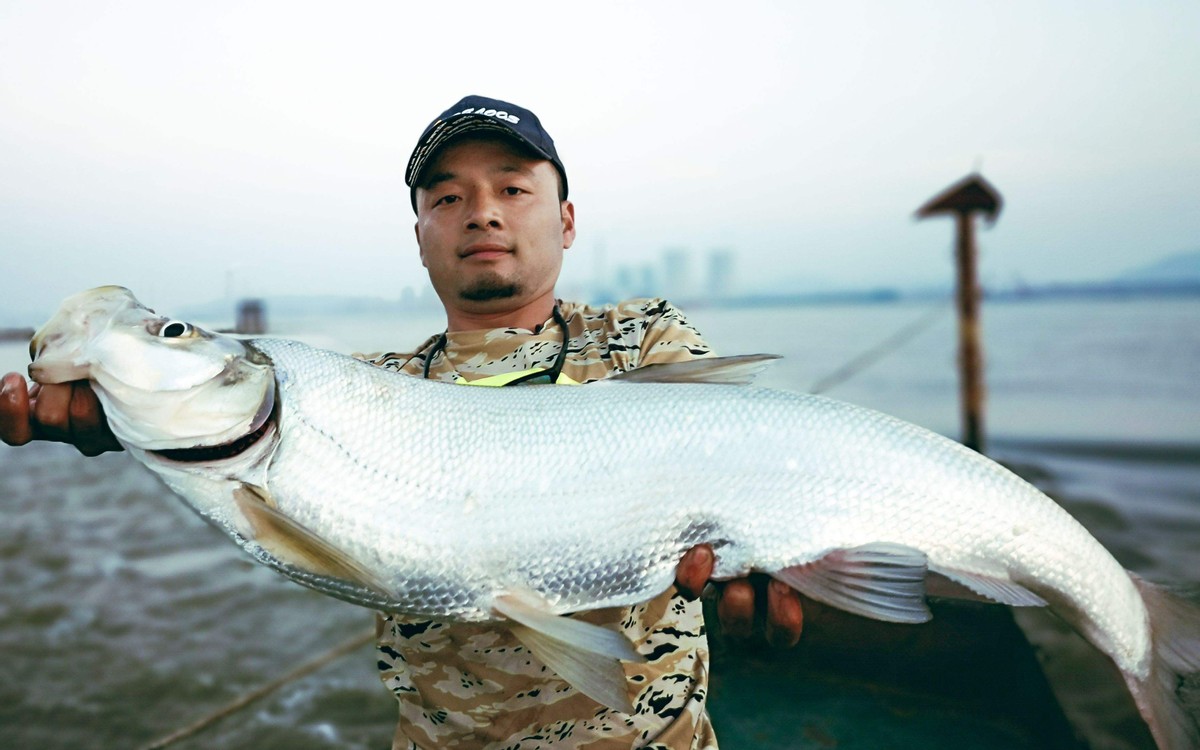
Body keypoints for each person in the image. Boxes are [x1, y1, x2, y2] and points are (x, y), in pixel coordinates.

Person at [0, 95, 803, 749]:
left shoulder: (644, 340)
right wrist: (125, 419)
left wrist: (793, 564)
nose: (481, 213)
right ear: (420, 238)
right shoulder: (375, 386)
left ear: (565, 220)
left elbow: (740, 454)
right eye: (447, 198)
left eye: (512, 189)